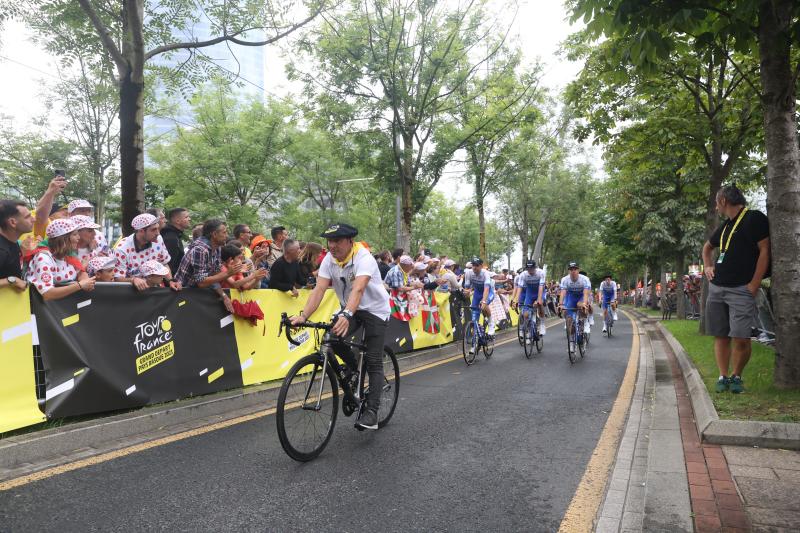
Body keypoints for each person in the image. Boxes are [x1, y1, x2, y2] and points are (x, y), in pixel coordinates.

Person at [290, 223, 390, 430]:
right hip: (349, 308)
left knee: (373, 361)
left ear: (350, 241)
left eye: (337, 241)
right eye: (330, 241)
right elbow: (318, 290)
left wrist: (346, 314)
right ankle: (354, 370)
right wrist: (303, 315)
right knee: (332, 338)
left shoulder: (364, 258)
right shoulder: (328, 259)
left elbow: (359, 288)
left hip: (374, 310)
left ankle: (371, 411)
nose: (332, 246)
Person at [702, 184, 770, 394]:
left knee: (741, 337)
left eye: (716, 201)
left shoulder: (754, 218)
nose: (716, 206)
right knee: (720, 334)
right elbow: (707, 248)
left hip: (741, 289)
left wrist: (754, 284)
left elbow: (764, 251)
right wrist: (708, 266)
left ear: (723, 201)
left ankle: (737, 376)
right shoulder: (725, 226)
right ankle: (723, 376)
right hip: (718, 288)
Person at [176, 219, 237, 313]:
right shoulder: (200, 249)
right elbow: (201, 282)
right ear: (214, 234)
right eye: (224, 232)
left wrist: (224, 296)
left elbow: (213, 277)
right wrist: (228, 273)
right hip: (181, 295)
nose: (227, 236)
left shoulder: (217, 248)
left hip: (196, 295)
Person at [26, 218, 96, 299]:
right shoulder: (43, 258)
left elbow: (80, 272)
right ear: (63, 239)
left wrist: (85, 281)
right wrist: (80, 285)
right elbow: (47, 293)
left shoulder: (68, 255)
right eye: (74, 234)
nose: (78, 237)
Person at [114, 213, 179, 292]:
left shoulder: (158, 239)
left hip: (153, 291)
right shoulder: (122, 248)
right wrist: (133, 280)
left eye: (158, 228)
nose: (158, 233)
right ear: (141, 231)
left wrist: (170, 281)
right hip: (130, 293)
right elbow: (117, 278)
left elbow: (164, 263)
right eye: (153, 230)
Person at [0, 199, 34, 291]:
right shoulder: (2, 249)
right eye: (27, 217)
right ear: (12, 222)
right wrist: (12, 281)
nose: (33, 219)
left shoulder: (12, 241)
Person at [558, 262, 591, 353]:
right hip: (571, 298)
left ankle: (584, 322)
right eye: (571, 270)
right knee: (569, 319)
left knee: (581, 306)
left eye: (575, 269)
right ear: (569, 271)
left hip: (581, 297)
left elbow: (585, 293)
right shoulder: (565, 279)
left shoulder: (584, 279)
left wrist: (584, 303)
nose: (573, 271)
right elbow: (563, 293)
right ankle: (572, 342)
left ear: (578, 270)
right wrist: (560, 304)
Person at [463, 257, 497, 341]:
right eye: (473, 265)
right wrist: (466, 292)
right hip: (477, 293)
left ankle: (491, 324)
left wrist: (484, 301)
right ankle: (475, 341)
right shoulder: (468, 273)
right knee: (474, 319)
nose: (474, 267)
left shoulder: (485, 273)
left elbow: (486, 289)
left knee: (484, 305)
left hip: (488, 292)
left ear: (481, 266)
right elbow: (467, 288)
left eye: (476, 265)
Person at [512, 259, 547, 340]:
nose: (530, 270)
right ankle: (528, 330)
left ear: (535, 267)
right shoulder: (523, 275)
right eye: (528, 269)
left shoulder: (540, 273)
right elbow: (519, 288)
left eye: (531, 269)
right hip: (529, 294)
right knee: (526, 314)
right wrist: (516, 300)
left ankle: (542, 324)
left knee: (540, 304)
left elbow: (541, 287)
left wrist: (538, 299)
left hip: (540, 292)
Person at [161, 207, 191, 274]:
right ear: (177, 221)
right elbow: (169, 265)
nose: (189, 219)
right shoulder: (171, 238)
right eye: (186, 217)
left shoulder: (175, 235)